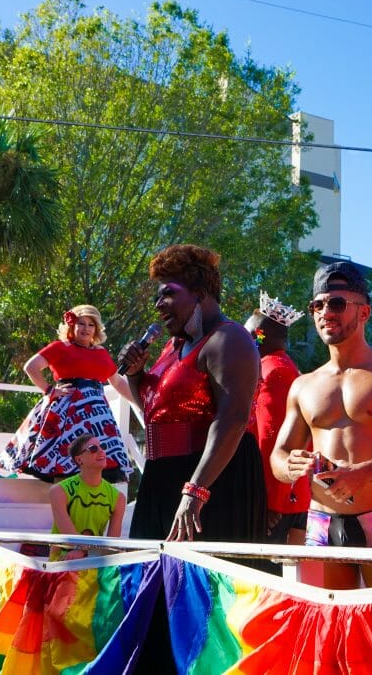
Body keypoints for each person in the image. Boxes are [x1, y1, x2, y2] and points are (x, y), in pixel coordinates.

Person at [118, 244, 265, 675]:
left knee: (203, 605)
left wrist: (195, 491)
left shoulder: (229, 338)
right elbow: (158, 417)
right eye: (158, 297)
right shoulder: (171, 348)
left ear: (200, 292)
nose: (160, 305)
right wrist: (135, 376)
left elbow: (233, 418)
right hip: (164, 479)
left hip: (211, 483)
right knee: (156, 597)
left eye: (169, 293)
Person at [271, 263, 372, 589]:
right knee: (330, 634)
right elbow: (279, 456)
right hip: (320, 526)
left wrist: (363, 473)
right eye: (318, 305)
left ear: (364, 312)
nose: (326, 312)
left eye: (337, 303)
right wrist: (291, 465)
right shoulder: (303, 385)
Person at [0, 305, 134, 483]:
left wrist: (141, 404)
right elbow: (31, 367)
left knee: (97, 464)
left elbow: (118, 382)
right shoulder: (60, 347)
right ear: (72, 326)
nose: (85, 328)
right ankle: (63, 505)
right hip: (66, 413)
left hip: (97, 417)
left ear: (96, 329)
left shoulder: (101, 353)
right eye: (81, 323)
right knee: (63, 462)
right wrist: (49, 390)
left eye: (90, 325)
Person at [245, 292, 309, 547]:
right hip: (288, 496)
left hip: (279, 502)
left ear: (272, 336)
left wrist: (272, 501)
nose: (248, 340)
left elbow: (274, 440)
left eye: (254, 335)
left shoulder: (273, 371)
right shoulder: (281, 367)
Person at [48, 433, 126, 561]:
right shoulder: (59, 491)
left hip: (94, 566)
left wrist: (85, 553)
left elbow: (112, 546)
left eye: (102, 446)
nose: (101, 451)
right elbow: (71, 539)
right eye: (93, 448)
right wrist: (84, 551)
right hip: (61, 566)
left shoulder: (118, 498)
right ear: (79, 460)